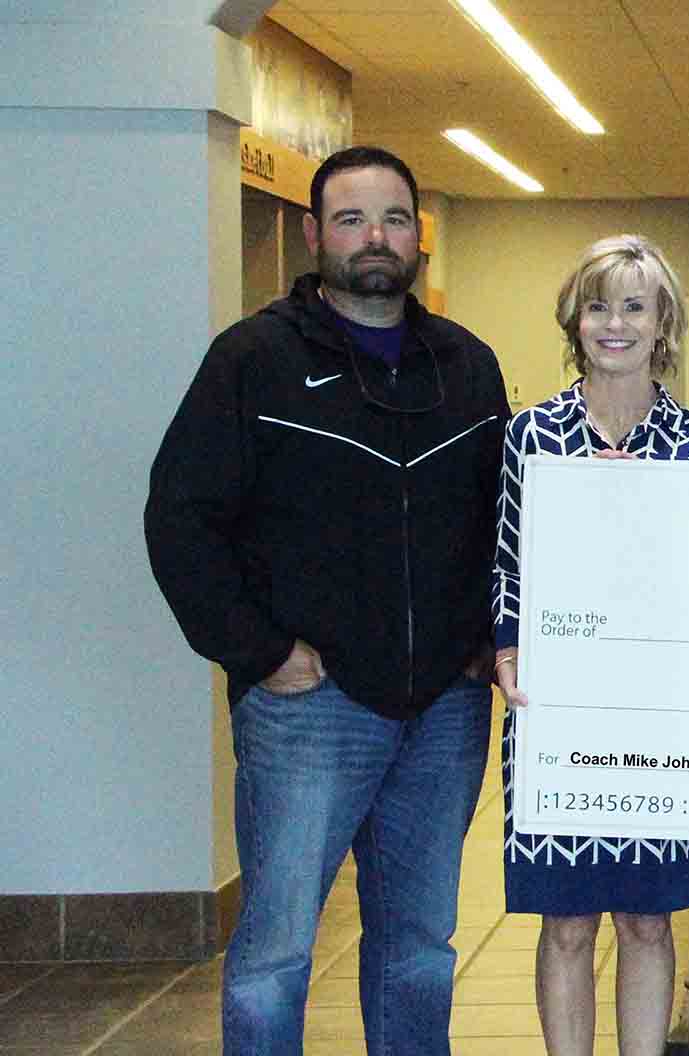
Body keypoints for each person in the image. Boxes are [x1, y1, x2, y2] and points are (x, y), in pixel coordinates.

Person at [144, 145, 507, 1055]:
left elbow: (503, 518)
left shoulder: (466, 366)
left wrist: (483, 637)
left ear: (416, 234)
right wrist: (259, 652)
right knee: (275, 954)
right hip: (311, 711)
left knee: (420, 949)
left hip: (445, 713)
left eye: (391, 218)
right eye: (350, 219)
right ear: (314, 236)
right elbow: (180, 519)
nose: (373, 238)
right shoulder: (252, 360)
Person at [491, 235, 689, 1055]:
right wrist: (506, 648)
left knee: (648, 920)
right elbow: (506, 562)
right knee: (564, 923)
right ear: (575, 319)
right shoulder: (530, 437)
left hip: (658, 720)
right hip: (557, 714)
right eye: (599, 305)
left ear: (662, 320)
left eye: (633, 305)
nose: (614, 323)